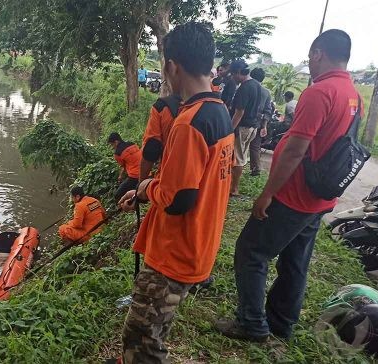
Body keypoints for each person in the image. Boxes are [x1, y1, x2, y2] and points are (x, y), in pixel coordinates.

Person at [215, 29, 361, 342]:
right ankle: (281, 323)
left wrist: (267, 194)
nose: (309, 63)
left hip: (294, 196)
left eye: (310, 56)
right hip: (319, 198)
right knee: (295, 261)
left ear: (319, 53)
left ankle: (251, 324)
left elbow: (296, 148)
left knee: (251, 251)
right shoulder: (352, 93)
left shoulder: (319, 92)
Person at [116, 22, 234, 363]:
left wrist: (145, 186)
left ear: (172, 66)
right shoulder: (219, 111)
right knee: (155, 328)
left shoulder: (189, 123)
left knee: (141, 338)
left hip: (174, 252)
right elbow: (188, 183)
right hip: (198, 243)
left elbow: (180, 199)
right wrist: (143, 191)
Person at [229, 59, 263, 196]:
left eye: (233, 74)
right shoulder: (256, 84)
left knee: (238, 158)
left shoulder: (244, 87)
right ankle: (232, 186)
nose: (232, 77)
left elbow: (239, 111)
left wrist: (230, 129)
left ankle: (234, 189)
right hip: (252, 127)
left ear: (238, 72)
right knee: (241, 156)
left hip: (243, 127)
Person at [140, 93, 182, 181]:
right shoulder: (215, 106)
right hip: (210, 185)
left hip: (170, 178)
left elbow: (151, 149)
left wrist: (140, 184)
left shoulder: (161, 107)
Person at [249, 68, 273, 176]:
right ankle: (256, 168)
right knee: (255, 146)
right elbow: (268, 110)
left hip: (245, 122)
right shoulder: (266, 92)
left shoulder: (247, 87)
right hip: (258, 123)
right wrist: (264, 126)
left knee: (238, 145)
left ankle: (235, 165)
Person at [108, 132, 142, 201]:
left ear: (116, 142)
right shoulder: (132, 144)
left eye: (112, 145)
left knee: (117, 195)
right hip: (146, 171)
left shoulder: (117, 153)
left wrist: (120, 176)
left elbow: (123, 167)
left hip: (135, 176)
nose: (112, 147)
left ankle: (125, 205)